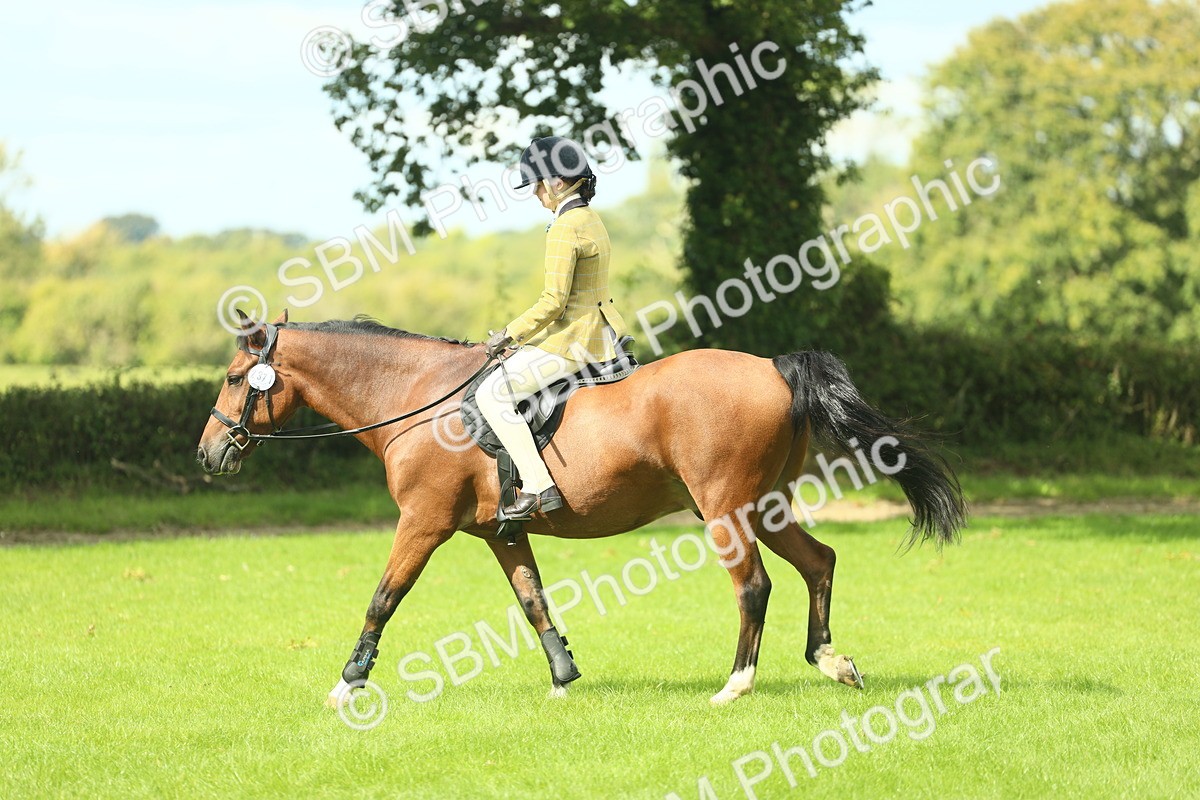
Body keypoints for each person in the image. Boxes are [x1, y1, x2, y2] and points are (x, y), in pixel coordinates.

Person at [477, 136, 631, 520]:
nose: (534, 193)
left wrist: (508, 335)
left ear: (558, 182)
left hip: (575, 343)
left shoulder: (565, 226)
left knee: (493, 394)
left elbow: (554, 302)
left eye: (537, 183)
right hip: (603, 334)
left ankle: (537, 484)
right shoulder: (592, 218)